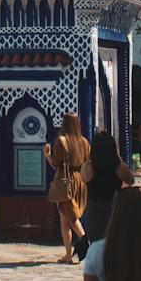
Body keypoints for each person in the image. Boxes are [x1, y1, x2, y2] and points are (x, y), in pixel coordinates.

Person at [44, 112, 90, 263]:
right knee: (64, 218)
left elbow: (55, 164)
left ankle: (85, 244)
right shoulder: (84, 142)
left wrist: (47, 154)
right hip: (80, 180)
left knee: (69, 217)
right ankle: (68, 255)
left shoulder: (61, 141)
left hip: (66, 181)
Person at [81, 129, 134, 244]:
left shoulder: (90, 166)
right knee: (114, 243)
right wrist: (118, 158)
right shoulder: (118, 166)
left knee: (95, 243)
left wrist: (89, 158)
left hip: (94, 210)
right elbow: (131, 180)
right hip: (114, 208)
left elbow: (84, 178)